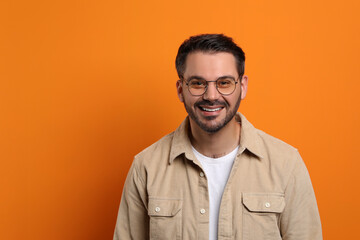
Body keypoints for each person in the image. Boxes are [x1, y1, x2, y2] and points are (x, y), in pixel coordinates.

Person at [113, 34, 322, 240]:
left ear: (243, 86)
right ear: (180, 90)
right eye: (197, 83)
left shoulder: (286, 163)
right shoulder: (146, 167)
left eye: (224, 83)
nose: (211, 96)